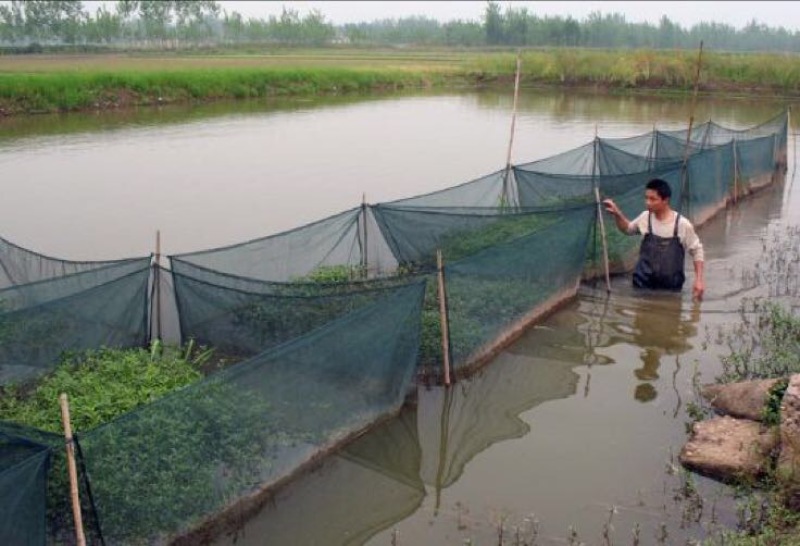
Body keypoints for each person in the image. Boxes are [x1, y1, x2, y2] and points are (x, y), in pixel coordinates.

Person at [602, 178, 705, 301]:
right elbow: (628, 229)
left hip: (671, 288)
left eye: (653, 199)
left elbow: (697, 250)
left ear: (665, 200)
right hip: (642, 284)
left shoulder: (682, 224)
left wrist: (698, 280)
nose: (648, 202)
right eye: (646, 198)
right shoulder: (645, 217)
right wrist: (617, 214)